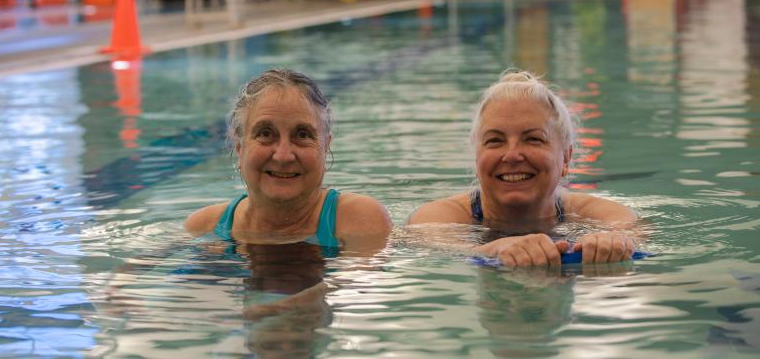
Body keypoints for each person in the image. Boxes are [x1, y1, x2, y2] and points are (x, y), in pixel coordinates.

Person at [409, 69, 637, 266]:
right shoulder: (438, 218)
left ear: (566, 158)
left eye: (533, 139)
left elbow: (632, 232)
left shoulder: (601, 215)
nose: (512, 155)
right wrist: (494, 250)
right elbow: (437, 245)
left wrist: (611, 243)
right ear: (477, 159)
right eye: (495, 141)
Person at [185, 68, 392, 251]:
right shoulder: (205, 227)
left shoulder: (357, 219)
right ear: (240, 148)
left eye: (302, 135)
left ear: (325, 147)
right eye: (265, 134)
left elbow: (354, 289)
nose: (283, 156)